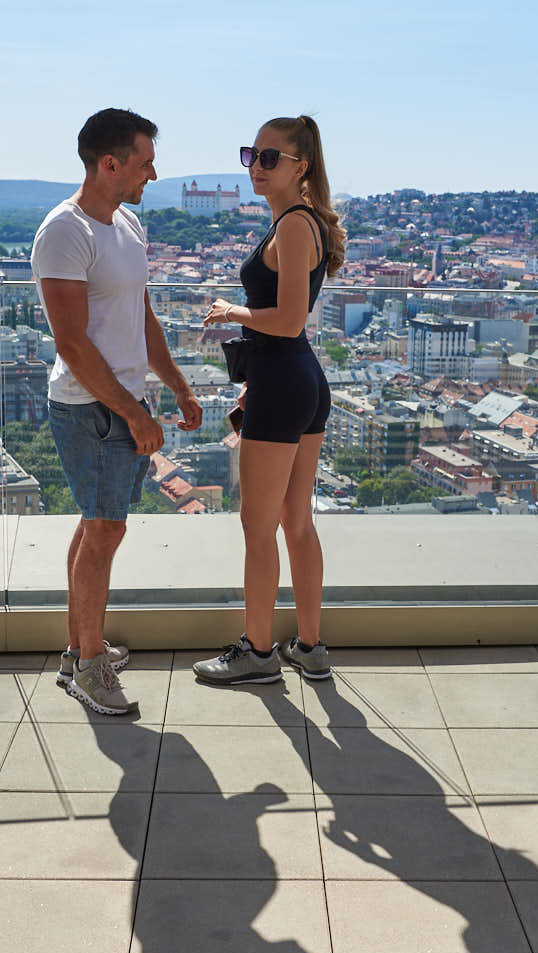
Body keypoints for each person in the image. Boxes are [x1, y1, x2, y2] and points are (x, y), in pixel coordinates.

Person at [33, 108, 202, 715]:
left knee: (96, 526)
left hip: (125, 401)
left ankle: (81, 649)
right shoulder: (65, 231)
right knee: (105, 530)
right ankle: (88, 664)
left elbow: (141, 315)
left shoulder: (127, 224)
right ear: (110, 164)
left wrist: (177, 386)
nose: (152, 174)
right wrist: (134, 414)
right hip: (90, 407)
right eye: (144, 162)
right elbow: (72, 344)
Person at [192, 115, 346, 686]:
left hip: (283, 384)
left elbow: (288, 320)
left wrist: (230, 311)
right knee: (296, 522)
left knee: (258, 527)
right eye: (251, 155)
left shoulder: (295, 225)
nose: (256, 166)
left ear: (301, 167)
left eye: (269, 157)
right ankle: (309, 647)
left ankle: (258, 653)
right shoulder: (298, 221)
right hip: (300, 380)